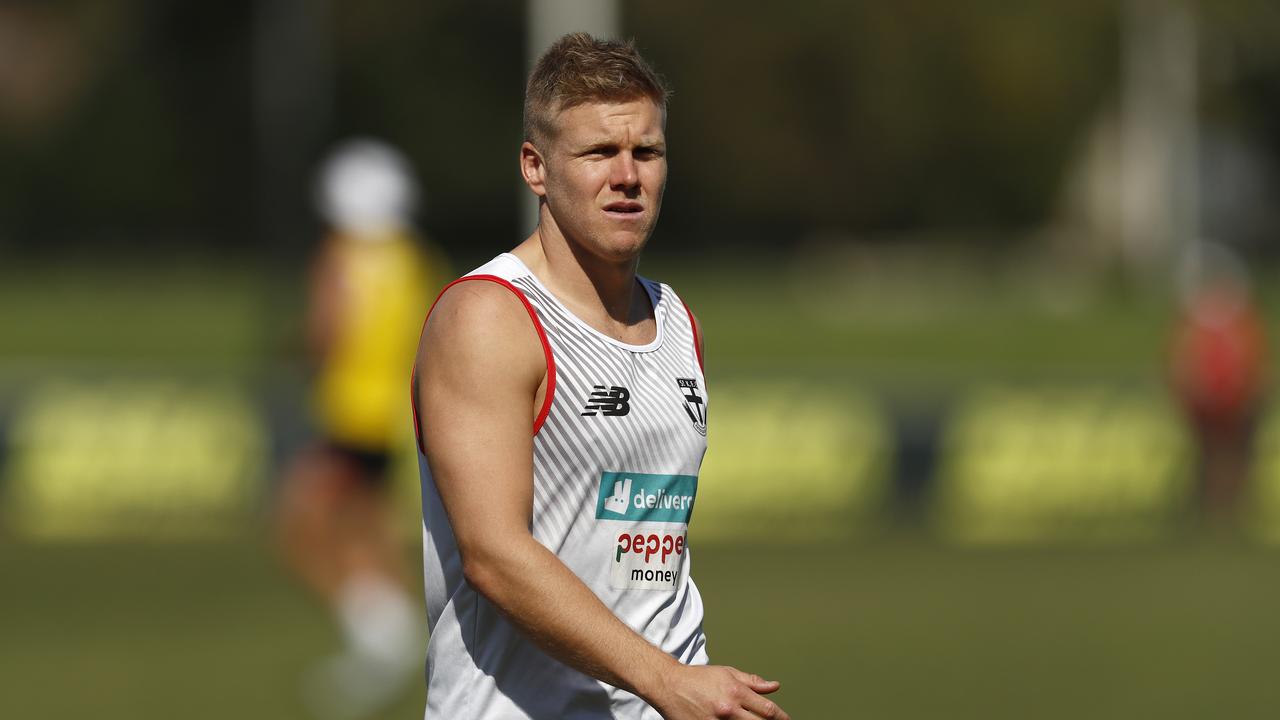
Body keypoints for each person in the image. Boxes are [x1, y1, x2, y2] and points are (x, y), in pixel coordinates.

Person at [412, 33, 790, 720]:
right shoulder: (489, 317)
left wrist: (678, 685)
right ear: (535, 167)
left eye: (646, 152)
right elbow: (494, 555)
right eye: (598, 153)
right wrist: (666, 680)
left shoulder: (677, 320)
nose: (627, 175)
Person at [277, 138, 447, 718]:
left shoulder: (339, 256)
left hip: (349, 416)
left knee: (298, 524)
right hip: (396, 419)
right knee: (365, 533)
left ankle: (385, 639)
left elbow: (327, 332)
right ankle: (390, 636)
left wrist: (297, 351)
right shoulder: (415, 259)